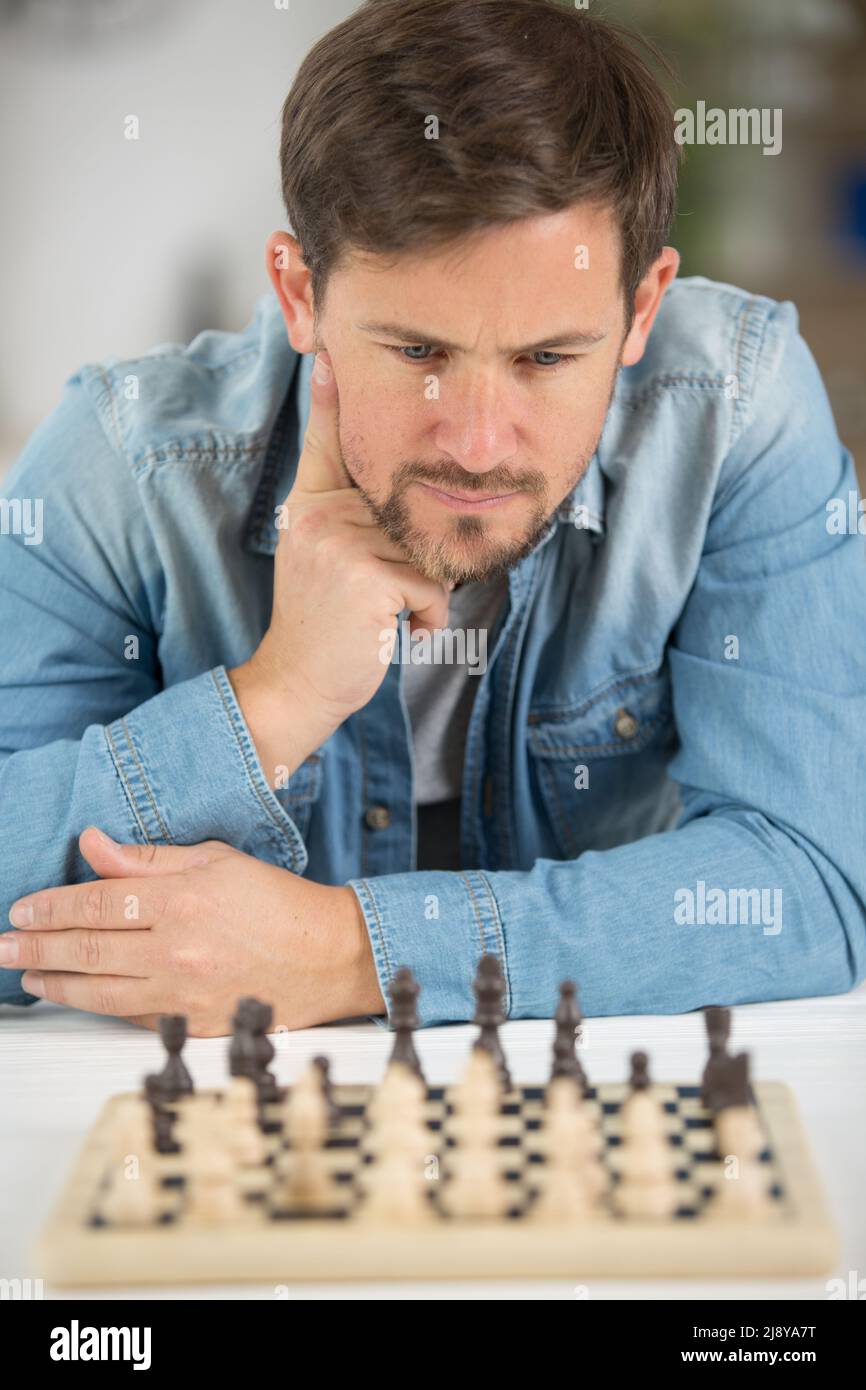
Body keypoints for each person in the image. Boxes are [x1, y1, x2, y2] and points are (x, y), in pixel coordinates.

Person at [0, 0, 864, 1035]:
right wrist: (272, 702)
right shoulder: (119, 464)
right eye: (416, 352)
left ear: (641, 308)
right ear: (299, 293)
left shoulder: (735, 411)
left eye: (546, 359)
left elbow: (805, 880)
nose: (477, 443)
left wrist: (349, 952)